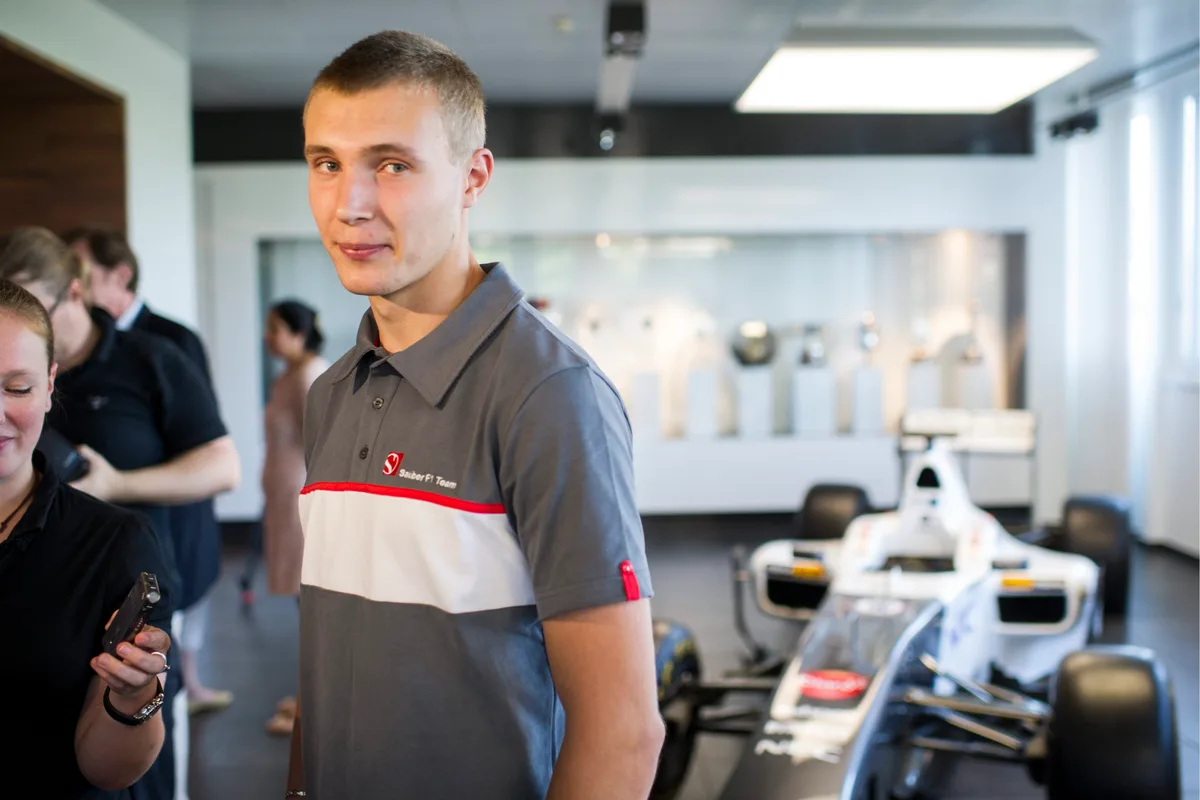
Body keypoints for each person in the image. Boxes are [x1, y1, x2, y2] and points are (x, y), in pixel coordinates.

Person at [288, 30, 664, 799]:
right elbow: (326, 667)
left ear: (472, 177)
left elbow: (624, 731)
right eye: (327, 164)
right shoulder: (334, 392)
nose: (349, 204)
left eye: (392, 165)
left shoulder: (549, 393)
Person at [0, 227, 241, 800]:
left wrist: (119, 485)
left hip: (116, 567)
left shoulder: (156, 358)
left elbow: (223, 466)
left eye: (18, 388)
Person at [0, 278, 175, 799]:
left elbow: (109, 771)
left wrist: (131, 695)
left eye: (17, 388)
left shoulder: (113, 544)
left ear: (50, 385)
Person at [63, 226, 233, 719]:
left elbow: (205, 449)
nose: (76, 285)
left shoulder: (170, 341)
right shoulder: (70, 352)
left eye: (83, 272)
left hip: (170, 521)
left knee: (158, 669)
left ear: (120, 275)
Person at [260, 299, 328, 736]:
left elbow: (322, 445)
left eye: (276, 329)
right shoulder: (287, 375)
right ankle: (309, 695)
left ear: (299, 334)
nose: (268, 337)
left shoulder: (309, 376)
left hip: (302, 503)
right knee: (306, 607)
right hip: (284, 501)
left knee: (315, 605)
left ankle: (315, 704)